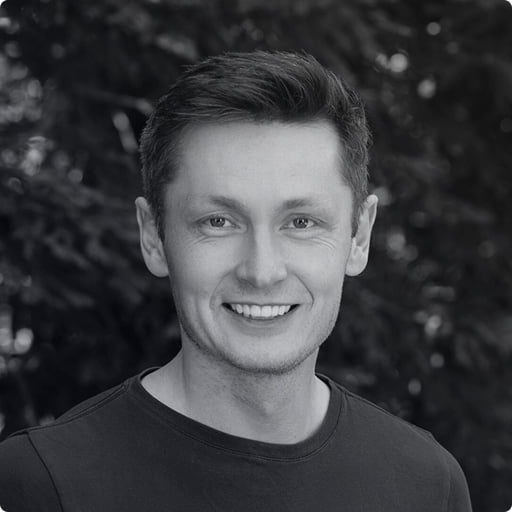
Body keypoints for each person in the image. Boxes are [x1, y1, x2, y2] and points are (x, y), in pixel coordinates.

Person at [0, 51, 472, 511]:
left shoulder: (428, 485)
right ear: (154, 237)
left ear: (359, 237)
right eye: (219, 222)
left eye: (301, 222)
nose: (262, 271)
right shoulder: (40, 485)